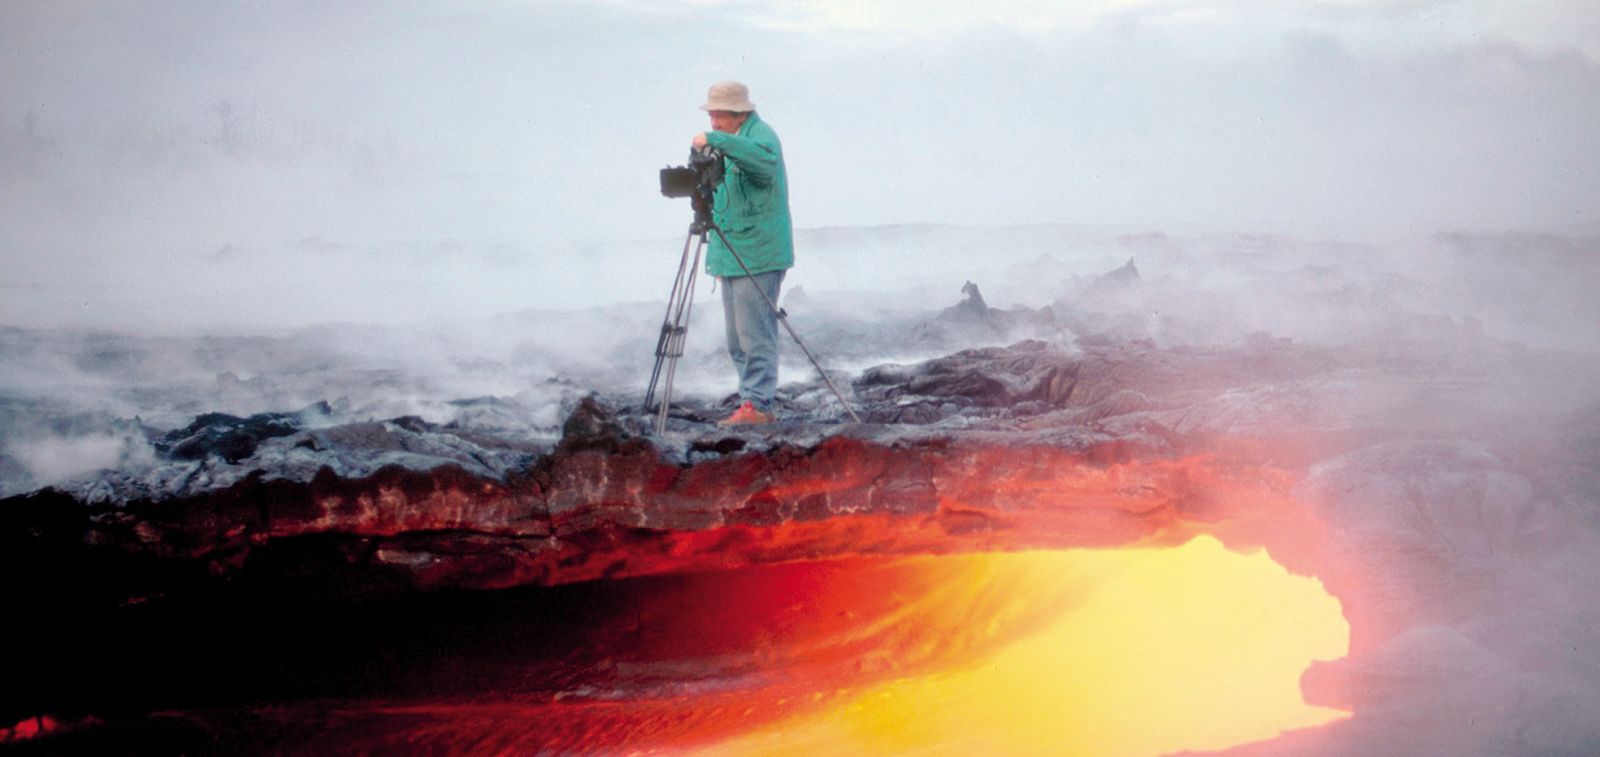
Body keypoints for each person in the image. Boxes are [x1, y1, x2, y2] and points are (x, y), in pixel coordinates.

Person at [691, 81, 793, 426]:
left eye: (719, 116)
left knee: (755, 336)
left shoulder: (762, 137)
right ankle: (750, 400)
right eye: (712, 116)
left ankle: (758, 406)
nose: (714, 123)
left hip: (759, 254)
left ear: (739, 114)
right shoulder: (733, 142)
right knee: (737, 339)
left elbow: (761, 167)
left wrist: (716, 142)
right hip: (732, 253)